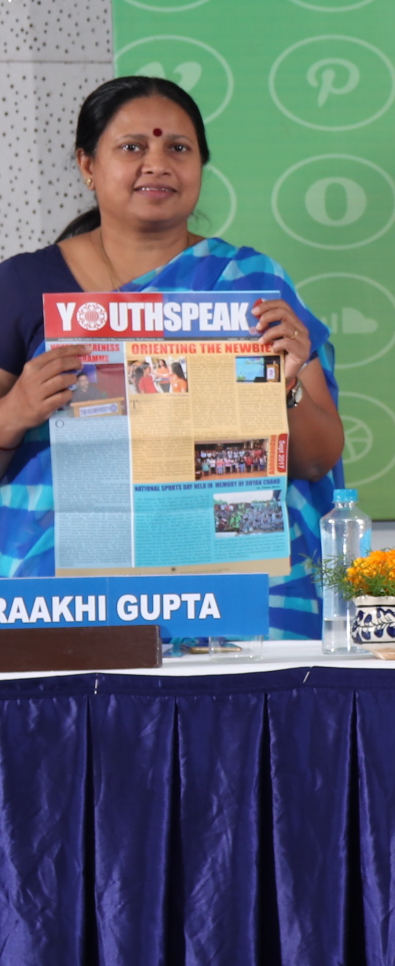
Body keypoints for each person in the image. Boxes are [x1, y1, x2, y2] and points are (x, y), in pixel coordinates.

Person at [0, 76, 345, 637]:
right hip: (69, 600)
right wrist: (14, 412)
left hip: (231, 592)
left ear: (201, 166)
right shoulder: (23, 285)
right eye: (132, 147)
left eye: (178, 148)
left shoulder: (251, 286)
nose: (157, 164)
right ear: (88, 165)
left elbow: (315, 461)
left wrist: (287, 385)